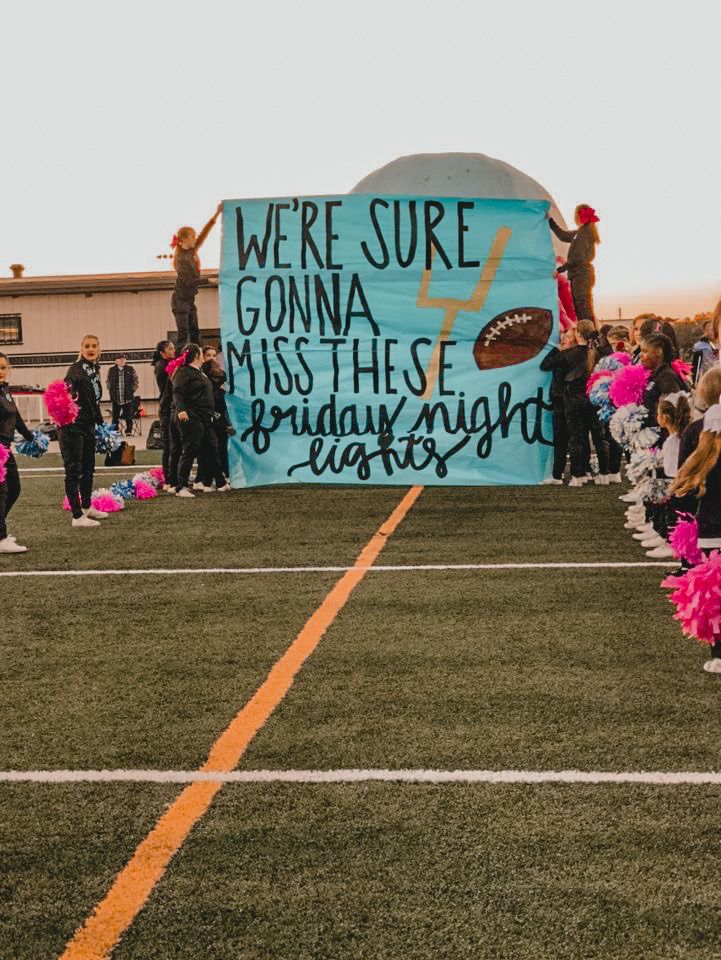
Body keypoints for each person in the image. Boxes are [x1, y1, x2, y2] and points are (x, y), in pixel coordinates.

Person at [671, 404, 721, 672]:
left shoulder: (702, 458)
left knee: (715, 600)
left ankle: (719, 655)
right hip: (712, 532)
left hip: (712, 535)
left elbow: (685, 498)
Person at [540, 320, 609, 486]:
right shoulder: (596, 353)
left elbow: (545, 365)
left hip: (572, 401)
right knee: (598, 437)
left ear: (578, 334)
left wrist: (557, 349)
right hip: (593, 399)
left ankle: (577, 476)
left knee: (576, 438)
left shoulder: (568, 355)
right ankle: (605, 474)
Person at [60, 335, 108, 528]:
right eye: (87, 346)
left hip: (88, 425)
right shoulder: (76, 370)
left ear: (99, 348)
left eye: (94, 346)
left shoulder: (93, 370)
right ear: (81, 348)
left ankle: (87, 507)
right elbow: (65, 393)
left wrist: (101, 424)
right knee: (74, 471)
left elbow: (93, 401)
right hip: (73, 427)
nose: (91, 349)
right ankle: (77, 515)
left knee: (88, 468)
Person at [172, 343, 229, 498]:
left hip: (205, 418)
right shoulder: (184, 372)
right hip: (192, 417)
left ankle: (221, 482)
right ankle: (181, 486)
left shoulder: (199, 372)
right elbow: (177, 392)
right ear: (197, 356)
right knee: (190, 450)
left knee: (211, 448)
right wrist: (181, 409)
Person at [171, 204, 222, 345]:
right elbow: (189, 281)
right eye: (192, 237)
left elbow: (204, 234)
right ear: (185, 239)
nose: (195, 239)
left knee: (195, 331)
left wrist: (216, 214)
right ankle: (179, 363)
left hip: (189, 299)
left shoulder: (192, 250)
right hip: (180, 300)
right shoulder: (180, 259)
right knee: (183, 334)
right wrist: (208, 281)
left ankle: (197, 357)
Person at [0, 352, 34, 553]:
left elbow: (16, 417)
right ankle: (1, 539)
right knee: (1, 492)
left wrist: (30, 437)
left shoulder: (5, 390)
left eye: (3, 367)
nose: (0, 371)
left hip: (5, 449)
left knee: (14, 488)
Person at [548, 204, 600, 325]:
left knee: (583, 307)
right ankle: (589, 334)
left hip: (582, 274)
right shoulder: (581, 232)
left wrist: (560, 270)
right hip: (580, 274)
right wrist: (550, 221)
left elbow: (577, 258)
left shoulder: (584, 233)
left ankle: (589, 335)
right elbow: (563, 236)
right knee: (581, 307)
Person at [539, 327, 575, 484]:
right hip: (567, 400)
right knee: (572, 439)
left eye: (568, 337)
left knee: (562, 439)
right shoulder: (579, 355)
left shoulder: (564, 356)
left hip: (563, 400)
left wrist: (555, 350)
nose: (564, 339)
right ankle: (577, 473)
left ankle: (558, 475)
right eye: (564, 336)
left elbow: (544, 365)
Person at [196, 351, 233, 487]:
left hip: (219, 421)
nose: (220, 370)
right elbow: (213, 411)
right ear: (210, 372)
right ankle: (212, 478)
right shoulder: (210, 389)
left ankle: (209, 478)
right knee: (214, 452)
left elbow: (224, 377)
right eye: (217, 368)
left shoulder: (218, 384)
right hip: (213, 423)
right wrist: (224, 426)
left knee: (218, 451)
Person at [638, 333, 689, 428]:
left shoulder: (666, 376)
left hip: (664, 436)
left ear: (659, 351)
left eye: (645, 351)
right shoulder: (656, 374)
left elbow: (675, 412)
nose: (640, 355)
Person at [152, 340, 176, 486]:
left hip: (168, 406)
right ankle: (168, 479)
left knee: (172, 444)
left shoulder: (166, 364)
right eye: (170, 349)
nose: (174, 351)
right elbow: (169, 389)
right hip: (166, 408)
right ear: (162, 353)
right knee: (168, 445)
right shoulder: (162, 366)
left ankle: (173, 475)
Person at [106, 354, 139, 436]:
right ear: (116, 361)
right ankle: (115, 431)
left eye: (124, 359)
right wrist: (110, 390)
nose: (122, 360)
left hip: (127, 397)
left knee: (129, 416)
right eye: (120, 359)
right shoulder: (111, 370)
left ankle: (128, 431)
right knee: (115, 417)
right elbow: (108, 382)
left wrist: (132, 390)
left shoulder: (130, 369)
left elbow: (136, 381)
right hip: (116, 398)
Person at [691, 320, 718, 386]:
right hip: (707, 380)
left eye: (713, 329)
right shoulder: (700, 347)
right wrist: (695, 381)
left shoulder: (719, 344)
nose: (711, 332)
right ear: (705, 332)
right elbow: (695, 367)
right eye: (708, 329)